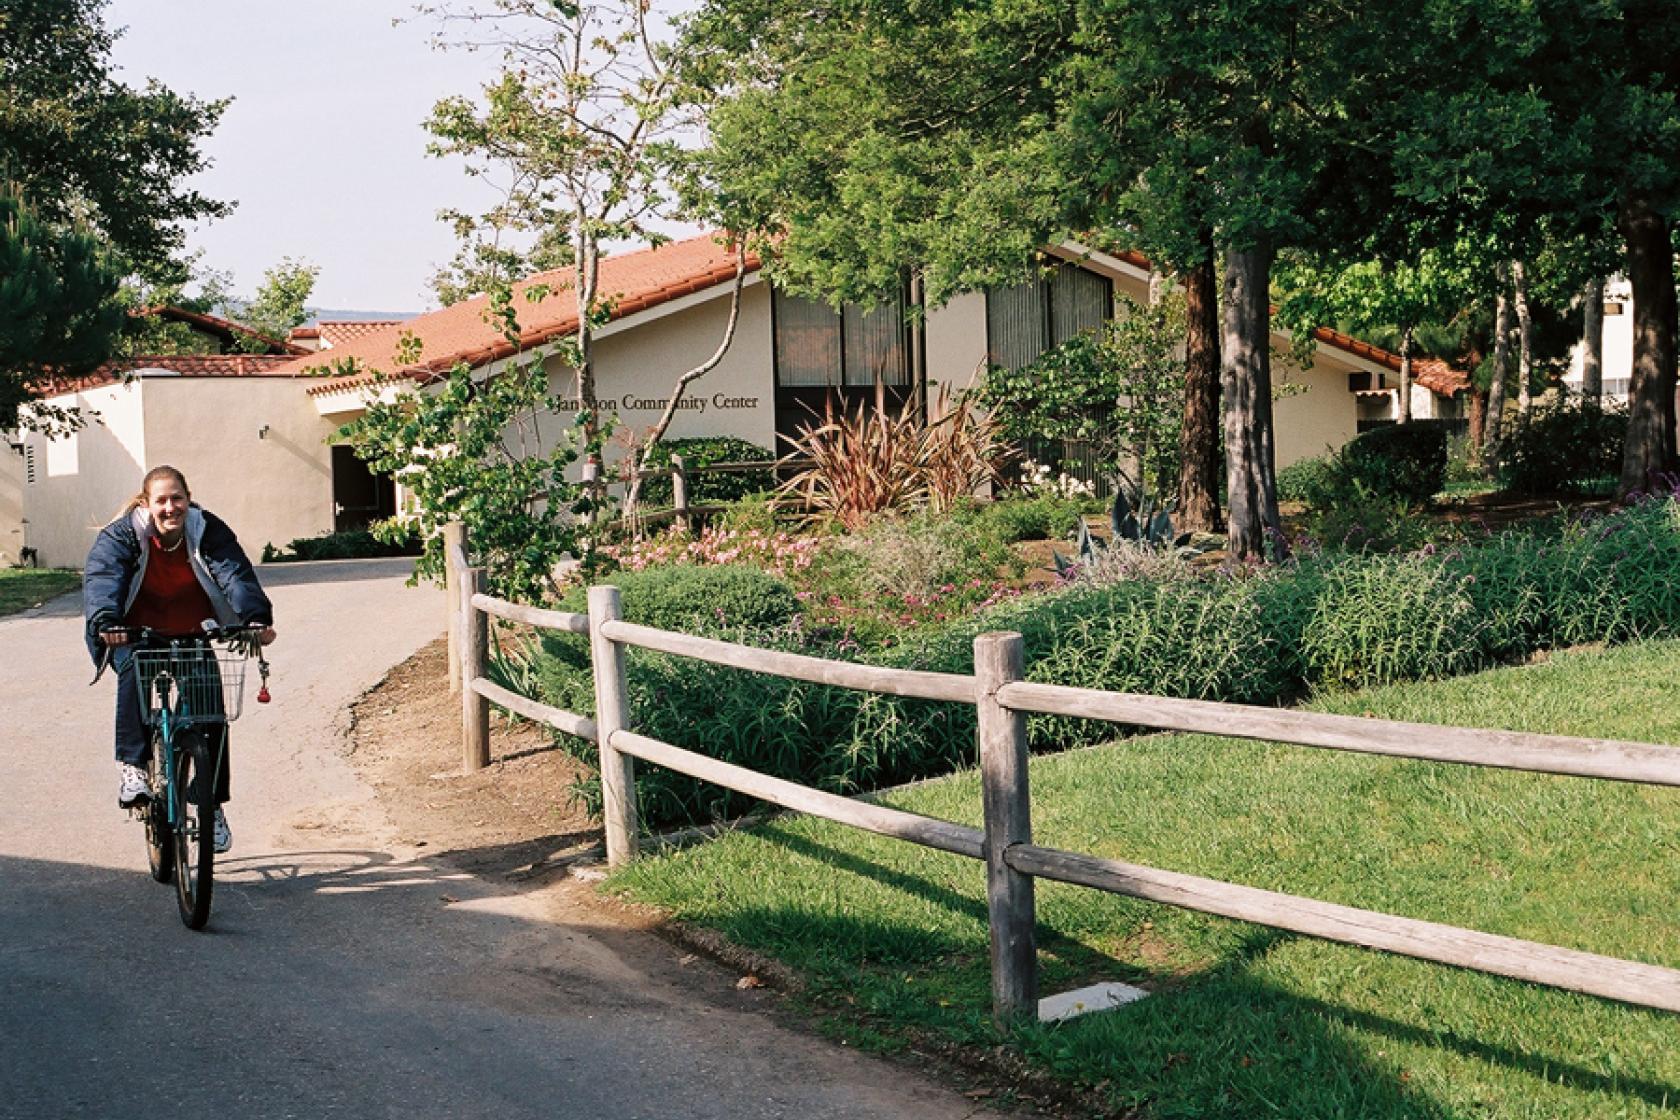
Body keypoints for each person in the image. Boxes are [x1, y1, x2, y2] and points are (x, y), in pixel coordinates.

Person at [83, 466, 277, 853]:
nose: (170, 507)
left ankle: (211, 804)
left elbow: (234, 573)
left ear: (188, 499)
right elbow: (104, 578)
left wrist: (254, 619)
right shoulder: (122, 535)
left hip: (192, 631)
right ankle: (134, 768)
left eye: (177, 498)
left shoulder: (206, 529)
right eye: (161, 500)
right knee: (133, 679)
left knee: (211, 716)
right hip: (137, 634)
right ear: (146, 503)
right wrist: (107, 621)